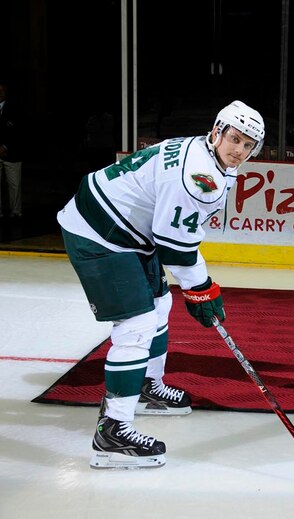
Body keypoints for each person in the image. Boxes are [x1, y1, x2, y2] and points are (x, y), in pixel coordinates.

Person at [57, 100, 265, 469]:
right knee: (136, 325)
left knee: (159, 306)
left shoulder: (206, 153)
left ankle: (148, 387)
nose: (239, 150)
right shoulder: (197, 176)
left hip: (127, 230)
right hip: (99, 232)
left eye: (248, 145)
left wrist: (199, 286)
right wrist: (202, 288)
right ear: (217, 131)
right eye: (235, 138)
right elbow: (176, 248)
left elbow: (173, 234)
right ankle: (113, 432)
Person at [0, 79, 23, 219]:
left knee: (14, 186)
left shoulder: (15, 108)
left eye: (1, 91)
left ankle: (16, 212)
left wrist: (4, 146)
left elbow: (20, 131)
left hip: (12, 153)